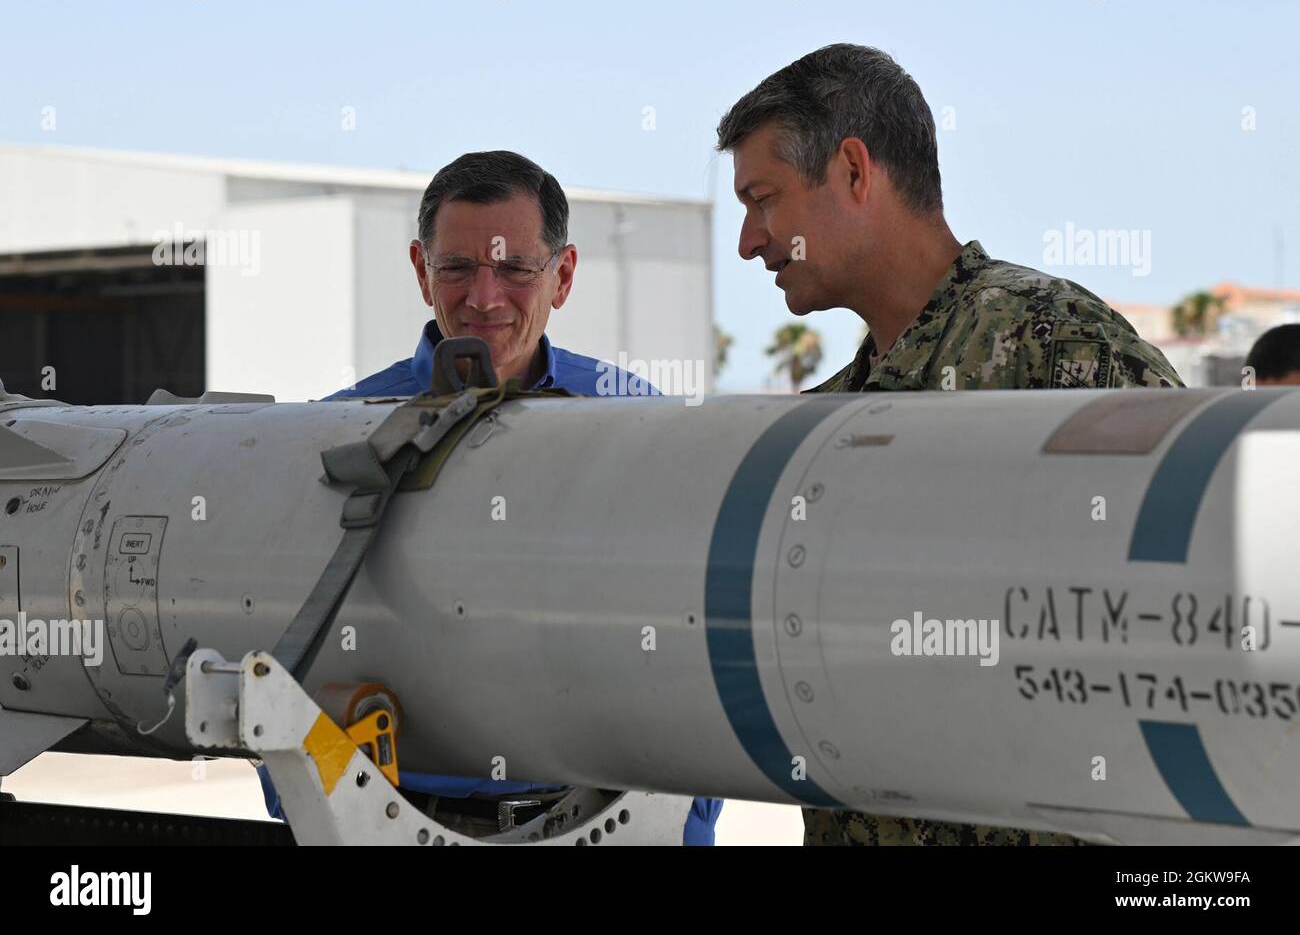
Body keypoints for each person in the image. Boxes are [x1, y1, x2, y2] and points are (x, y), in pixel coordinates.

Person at [716, 43, 1181, 846]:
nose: (750, 241)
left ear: (855, 173)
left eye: (764, 200)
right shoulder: (832, 421)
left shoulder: (1052, 342)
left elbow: (1185, 600)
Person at [261, 150, 723, 845]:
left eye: (514, 268)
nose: (483, 296)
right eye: (457, 268)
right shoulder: (337, 435)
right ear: (421, 272)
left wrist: (686, 822)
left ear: (562, 277)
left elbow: (701, 648)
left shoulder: (644, 431)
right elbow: (280, 653)